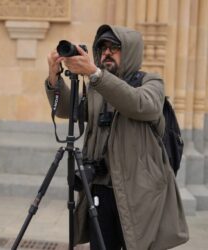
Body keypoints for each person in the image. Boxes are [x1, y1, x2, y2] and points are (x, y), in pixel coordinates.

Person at [45, 24, 189, 250]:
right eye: (102, 48)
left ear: (130, 51)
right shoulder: (97, 87)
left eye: (114, 48)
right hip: (100, 189)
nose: (106, 53)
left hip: (139, 193)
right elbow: (66, 110)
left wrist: (95, 74)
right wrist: (54, 79)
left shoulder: (151, 83)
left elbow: (140, 104)